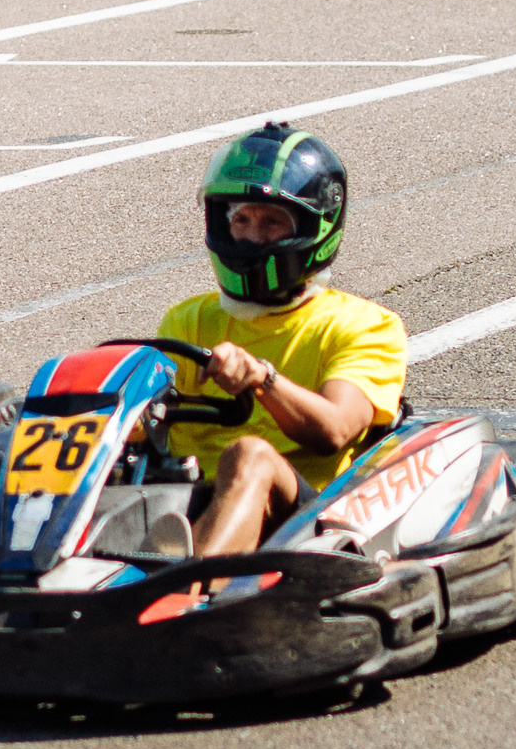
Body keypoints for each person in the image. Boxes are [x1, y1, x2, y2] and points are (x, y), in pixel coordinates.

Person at [158, 123, 408, 557]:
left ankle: (187, 587)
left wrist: (262, 380)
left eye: (272, 222)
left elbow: (335, 429)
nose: (253, 238)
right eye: (241, 220)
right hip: (188, 499)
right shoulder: (187, 320)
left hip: (308, 519)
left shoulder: (364, 324)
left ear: (314, 229)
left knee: (249, 455)